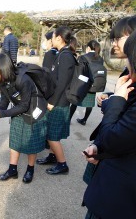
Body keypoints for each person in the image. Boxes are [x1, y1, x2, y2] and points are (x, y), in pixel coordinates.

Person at [82, 30, 136, 219]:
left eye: (119, 38)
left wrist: (115, 101)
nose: (114, 43)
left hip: (119, 197)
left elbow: (115, 137)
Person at [0, 53, 47, 183]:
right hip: (19, 108)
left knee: (30, 143)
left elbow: (24, 106)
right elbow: (5, 97)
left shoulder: (23, 80)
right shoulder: (1, 80)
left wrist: (2, 114)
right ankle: (12, 170)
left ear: (4, 68)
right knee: (15, 140)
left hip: (34, 110)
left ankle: (30, 169)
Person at [36, 26, 76, 175]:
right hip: (56, 100)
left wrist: (52, 101)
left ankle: (62, 164)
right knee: (51, 133)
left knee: (53, 136)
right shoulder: (61, 53)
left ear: (59, 38)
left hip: (59, 102)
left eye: (52, 37)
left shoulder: (66, 56)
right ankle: (53, 156)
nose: (51, 39)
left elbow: (62, 82)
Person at [96, 15, 136, 107]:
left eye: (118, 39)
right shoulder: (128, 69)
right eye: (113, 40)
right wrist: (111, 97)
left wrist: (112, 103)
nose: (113, 44)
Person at [69, 40, 104, 125]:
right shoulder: (100, 58)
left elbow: (79, 71)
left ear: (88, 48)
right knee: (90, 103)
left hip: (83, 83)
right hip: (94, 84)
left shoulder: (83, 57)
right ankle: (84, 120)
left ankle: (68, 119)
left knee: (75, 101)